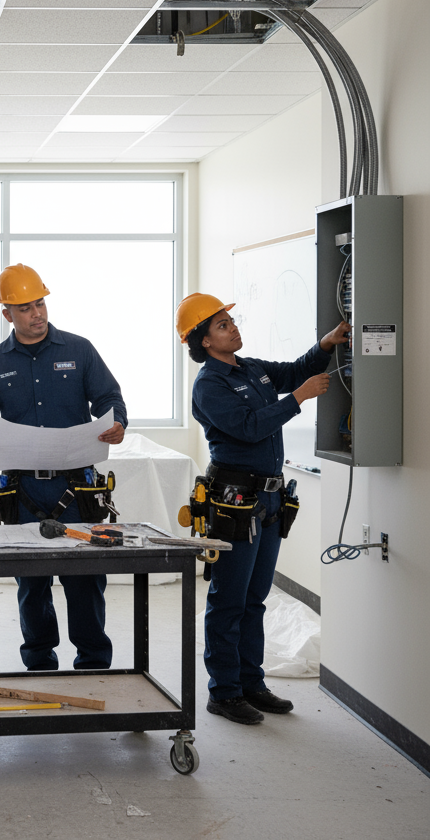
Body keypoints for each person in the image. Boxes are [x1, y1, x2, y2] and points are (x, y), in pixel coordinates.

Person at [177, 292, 350, 725]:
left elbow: (294, 371)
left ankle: (252, 683)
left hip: (269, 499)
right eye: (220, 325)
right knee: (229, 599)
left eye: (229, 320)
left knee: (256, 598)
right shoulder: (210, 385)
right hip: (234, 501)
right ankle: (225, 691)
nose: (232, 327)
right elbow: (250, 428)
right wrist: (298, 399)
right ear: (202, 342)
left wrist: (326, 344)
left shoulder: (250, 369)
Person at [0, 265, 128, 671]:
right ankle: (39, 662)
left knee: (84, 580)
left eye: (40, 303)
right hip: (21, 493)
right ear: (7, 315)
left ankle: (93, 663)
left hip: (77, 490)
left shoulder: (79, 350)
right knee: (31, 583)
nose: (36, 313)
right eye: (24, 308)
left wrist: (118, 423)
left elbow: (109, 398)